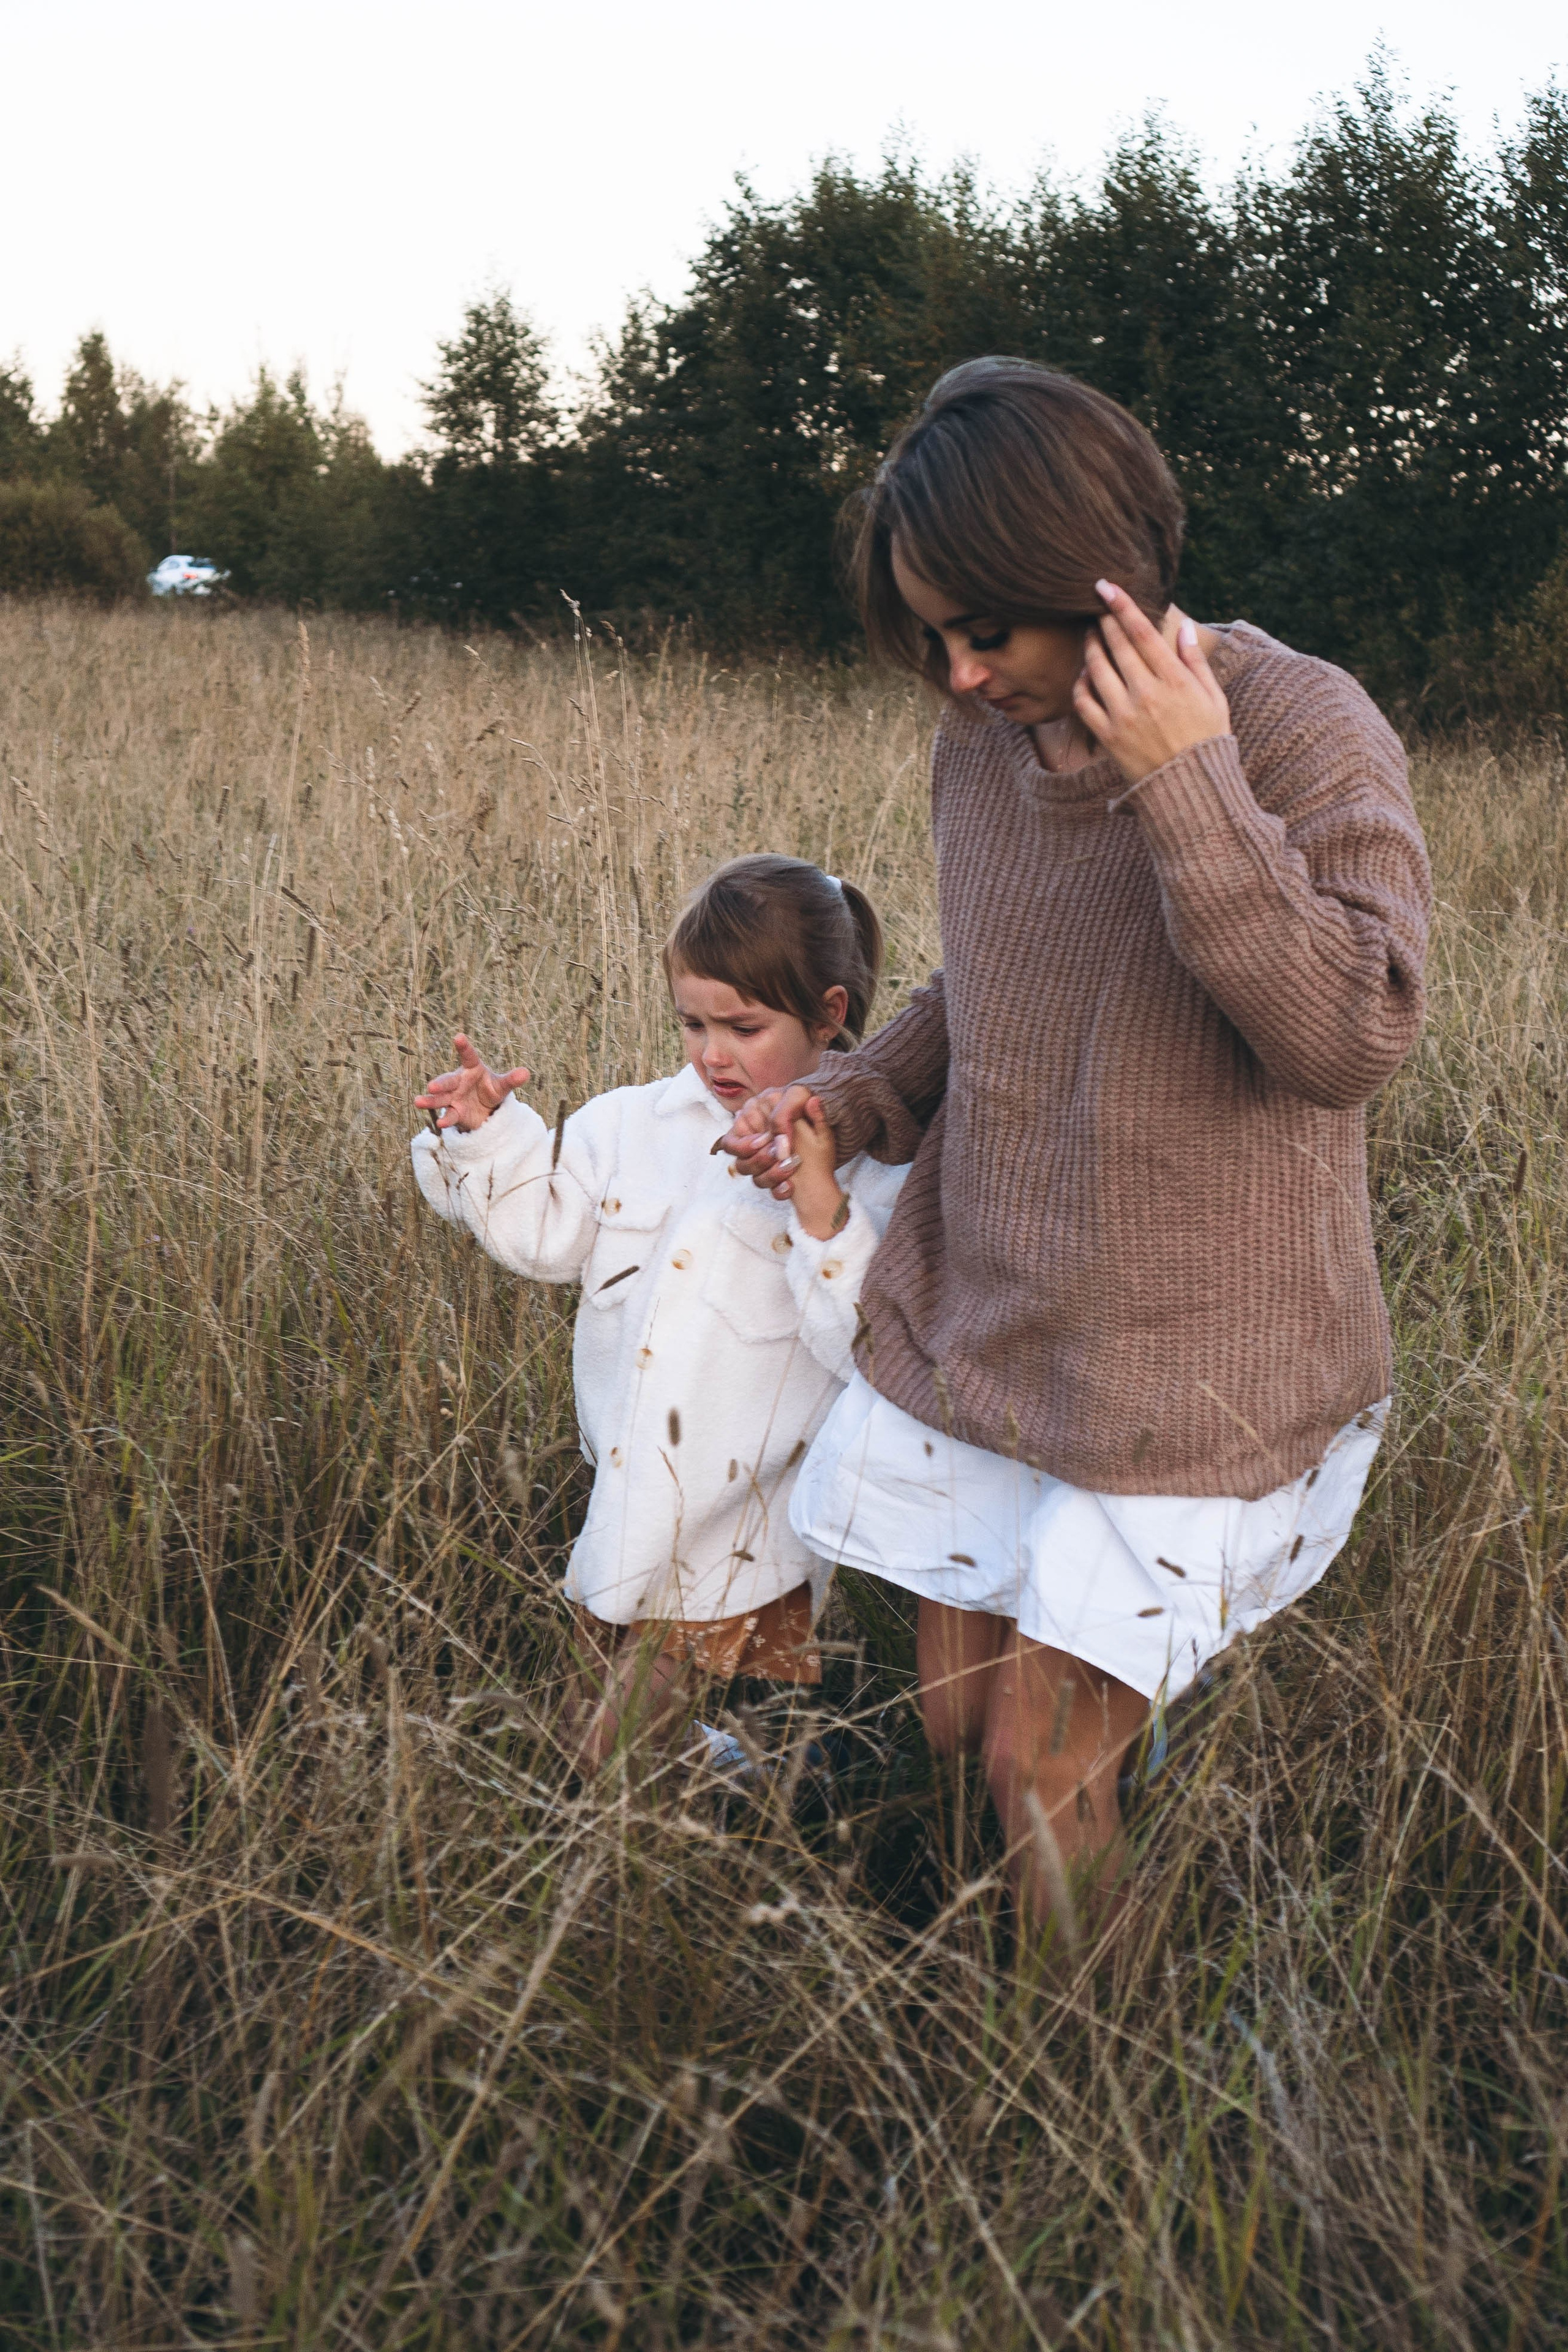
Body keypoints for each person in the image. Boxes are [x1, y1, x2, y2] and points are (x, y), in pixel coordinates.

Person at [722, 358, 1431, 1937]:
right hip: (994, 1316)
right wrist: (842, 1098)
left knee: (1046, 1770)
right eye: (931, 638)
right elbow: (986, 982)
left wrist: (1186, 781)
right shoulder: (978, 748)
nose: (962, 677)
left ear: (1100, 576)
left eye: (989, 630)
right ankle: (1000, 1983)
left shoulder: (1298, 725)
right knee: (956, 1736)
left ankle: (1076, 2114)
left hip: (1197, 1365)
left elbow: (1348, 1037)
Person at [411, 855, 906, 1768]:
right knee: (601, 1713)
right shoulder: (628, 1125)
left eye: (745, 1027)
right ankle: (758, 1791)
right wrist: (485, 1140)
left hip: (742, 1522)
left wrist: (820, 1214)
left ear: (830, 1014)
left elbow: (870, 1348)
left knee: (604, 1748)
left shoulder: (872, 1170)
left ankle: (657, 1843)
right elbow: (544, 1237)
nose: (713, 1053)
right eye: (692, 1022)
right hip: (627, 1495)